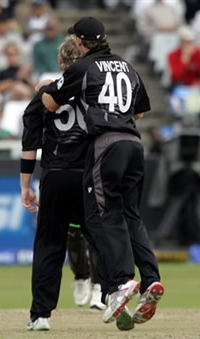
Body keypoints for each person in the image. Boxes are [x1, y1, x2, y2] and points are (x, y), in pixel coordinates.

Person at [41, 17, 164, 327]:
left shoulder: (83, 67)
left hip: (105, 145)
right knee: (131, 216)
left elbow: (49, 103)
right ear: (105, 37)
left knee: (99, 216)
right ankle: (151, 278)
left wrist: (60, 90)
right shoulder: (128, 67)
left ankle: (122, 281)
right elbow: (139, 112)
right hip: (134, 145)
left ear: (80, 42)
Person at [20, 36, 88, 331]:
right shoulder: (94, 92)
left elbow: (30, 143)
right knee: (103, 237)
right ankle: (116, 291)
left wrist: (25, 185)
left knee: (49, 244)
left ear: (61, 63)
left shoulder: (46, 93)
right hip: (88, 175)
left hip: (55, 174)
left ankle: (41, 315)